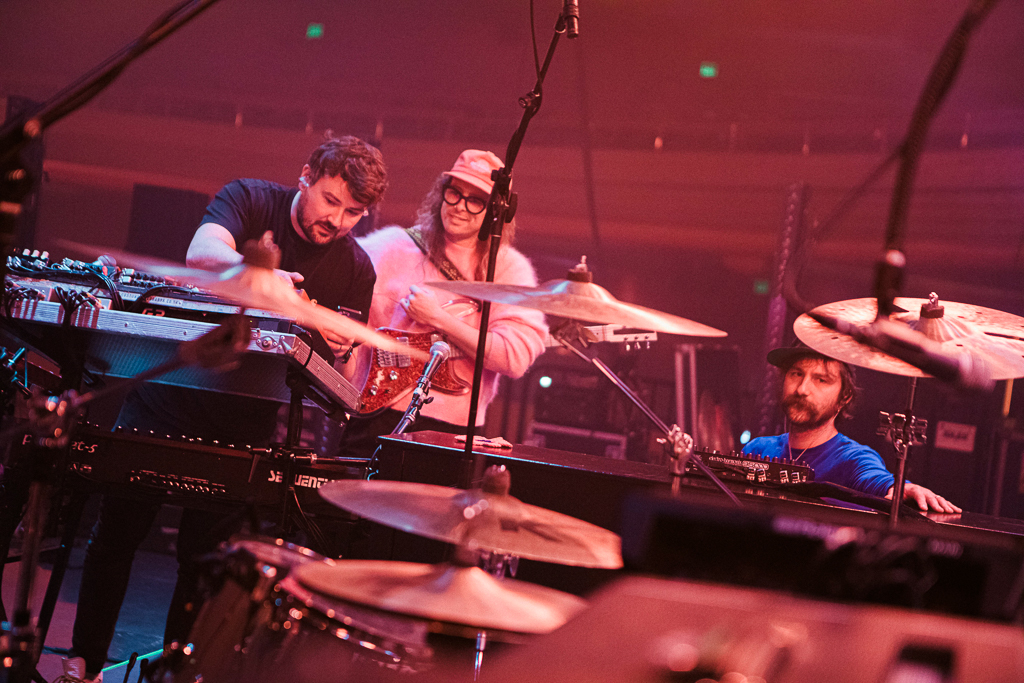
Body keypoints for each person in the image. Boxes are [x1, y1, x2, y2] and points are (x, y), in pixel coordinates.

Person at [58, 135, 388, 683]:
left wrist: (342, 348)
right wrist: (266, 280)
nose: (339, 220)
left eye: (354, 212)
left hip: (245, 426)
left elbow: (347, 381)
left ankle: (173, 671)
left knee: (204, 561)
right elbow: (203, 252)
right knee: (117, 533)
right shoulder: (251, 198)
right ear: (305, 176)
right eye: (331, 201)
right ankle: (84, 662)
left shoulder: (355, 266)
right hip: (169, 396)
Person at [338, 149, 547, 455]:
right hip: (373, 414)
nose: (460, 207)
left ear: (494, 211)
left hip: (453, 434)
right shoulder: (391, 246)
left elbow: (514, 359)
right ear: (441, 194)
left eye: (475, 201)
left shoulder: (509, 269)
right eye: (454, 193)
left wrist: (439, 319)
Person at [743, 345, 961, 514]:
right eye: (796, 374)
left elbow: (874, 478)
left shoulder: (852, 458)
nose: (802, 389)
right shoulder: (758, 448)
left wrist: (903, 488)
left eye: (821, 379)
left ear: (844, 398)